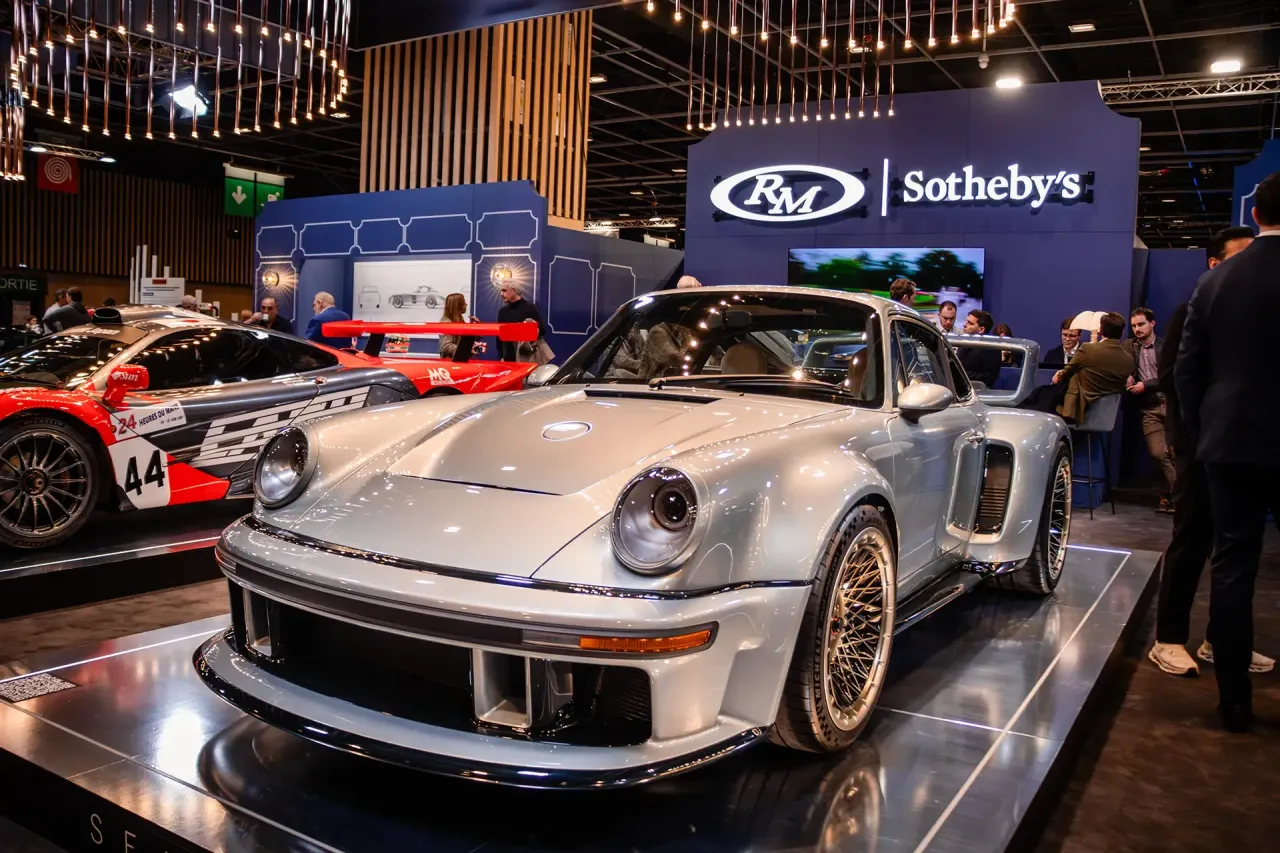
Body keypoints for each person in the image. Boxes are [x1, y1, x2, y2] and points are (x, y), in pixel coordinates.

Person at [1175, 173, 1280, 733]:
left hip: (1229, 441)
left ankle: (1234, 703)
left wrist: (1203, 434)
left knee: (1233, 567)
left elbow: (1187, 371)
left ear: (1256, 215)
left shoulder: (1215, 281)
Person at [1148, 225, 1270, 682]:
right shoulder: (1192, 309)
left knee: (1234, 548)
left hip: (1236, 445)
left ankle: (1223, 641)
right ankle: (1168, 639)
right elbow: (1173, 378)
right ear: (1215, 264)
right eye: (1240, 256)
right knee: (1192, 538)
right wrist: (1192, 437)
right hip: (1199, 445)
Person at [1124, 307, 1175, 512]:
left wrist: (1146, 384)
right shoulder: (1130, 346)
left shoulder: (1165, 346)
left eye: (1141, 324)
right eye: (1134, 325)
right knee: (1158, 453)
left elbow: (1170, 375)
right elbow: (1120, 364)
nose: (1137, 329)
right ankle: (1182, 496)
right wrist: (1127, 376)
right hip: (1149, 407)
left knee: (1173, 453)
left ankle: (1167, 497)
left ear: (1152, 324)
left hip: (1171, 404)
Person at [1049, 312, 1133, 424]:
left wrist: (1059, 375)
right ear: (1122, 332)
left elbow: (1066, 373)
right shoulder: (1129, 359)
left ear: (1101, 330)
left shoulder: (1088, 349)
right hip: (1107, 416)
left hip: (1078, 411)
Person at [495, 282, 546, 362]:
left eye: (504, 290)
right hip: (508, 359)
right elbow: (499, 337)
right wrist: (501, 356)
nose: (501, 294)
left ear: (514, 291)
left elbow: (542, 330)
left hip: (527, 358)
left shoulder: (529, 307)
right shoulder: (503, 311)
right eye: (501, 291)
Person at [957, 310, 1001, 387]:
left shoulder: (991, 348)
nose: (965, 325)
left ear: (981, 329)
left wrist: (961, 374)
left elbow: (988, 377)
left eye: (970, 323)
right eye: (966, 321)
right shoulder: (964, 343)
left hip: (977, 390)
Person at [438, 293, 486, 360]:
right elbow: (446, 346)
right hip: (451, 363)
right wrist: (466, 350)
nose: (466, 305)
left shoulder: (459, 320)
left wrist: (478, 327)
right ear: (457, 306)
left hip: (460, 361)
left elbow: (466, 341)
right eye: (463, 303)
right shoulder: (447, 323)